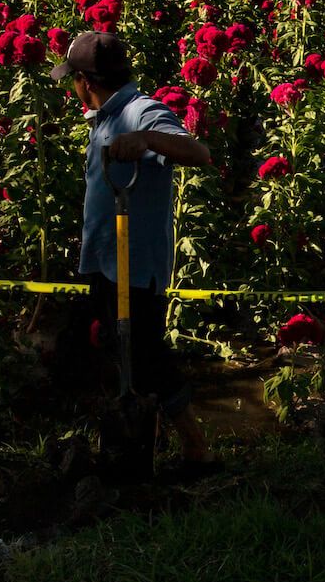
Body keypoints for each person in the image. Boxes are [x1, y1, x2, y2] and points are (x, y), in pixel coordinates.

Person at [49, 31, 212, 477]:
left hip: (136, 266)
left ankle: (196, 448)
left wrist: (149, 140)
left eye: (73, 81)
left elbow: (199, 152)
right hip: (106, 260)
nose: (72, 89)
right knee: (108, 350)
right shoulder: (103, 117)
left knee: (147, 358)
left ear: (85, 80)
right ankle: (132, 438)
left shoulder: (143, 111)